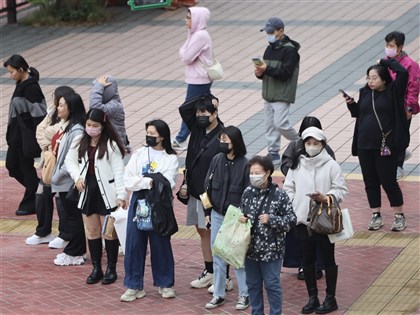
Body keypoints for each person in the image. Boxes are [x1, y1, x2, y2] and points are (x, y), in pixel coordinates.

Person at [284, 127, 348, 314]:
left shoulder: (331, 165)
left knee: (329, 259)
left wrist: (327, 197)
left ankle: (331, 298)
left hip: (326, 221)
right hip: (303, 220)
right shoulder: (297, 165)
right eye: (308, 143)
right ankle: (312, 297)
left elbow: (341, 189)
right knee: (307, 260)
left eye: (316, 143)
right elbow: (289, 188)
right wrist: (295, 204)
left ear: (323, 145)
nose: (312, 147)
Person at [343, 59, 409, 232]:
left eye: (374, 78)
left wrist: (386, 61)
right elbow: (359, 114)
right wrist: (351, 105)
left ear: (384, 79)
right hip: (364, 144)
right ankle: (376, 215)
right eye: (368, 78)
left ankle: (399, 216)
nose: (370, 81)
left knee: (388, 181)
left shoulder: (393, 92)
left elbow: (403, 73)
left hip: (385, 145)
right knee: (370, 181)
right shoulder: (365, 92)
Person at [66, 108, 127, 284]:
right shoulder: (79, 140)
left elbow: (118, 171)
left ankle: (111, 269)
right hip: (88, 192)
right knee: (92, 232)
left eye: (95, 125)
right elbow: (69, 161)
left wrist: (121, 195)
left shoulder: (111, 145)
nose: (91, 128)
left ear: (103, 126)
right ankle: (96, 268)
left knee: (109, 233)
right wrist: (77, 177)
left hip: (107, 193)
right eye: (88, 125)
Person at [121, 119, 178, 302]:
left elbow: (167, 182)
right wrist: (148, 181)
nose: (149, 137)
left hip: (159, 204)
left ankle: (165, 283)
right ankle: (133, 285)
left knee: (160, 243)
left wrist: (144, 179)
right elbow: (128, 179)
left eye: (153, 134)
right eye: (148, 133)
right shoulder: (139, 154)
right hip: (139, 201)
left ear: (162, 136)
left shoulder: (170, 158)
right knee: (134, 244)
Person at [239, 155, 296, 315]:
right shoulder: (247, 193)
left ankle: (275, 313)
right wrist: (241, 219)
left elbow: (291, 220)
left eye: (257, 172)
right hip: (250, 250)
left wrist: (272, 219)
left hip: (272, 252)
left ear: (267, 173)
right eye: (251, 172)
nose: (253, 176)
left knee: (272, 285)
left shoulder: (279, 195)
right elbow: (241, 211)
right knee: (253, 284)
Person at [281, 116, 335, 280]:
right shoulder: (295, 146)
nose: (311, 145)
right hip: (301, 204)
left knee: (321, 235)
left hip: (321, 205)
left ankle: (319, 266)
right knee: (299, 238)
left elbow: (335, 177)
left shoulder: (327, 152)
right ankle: (302, 265)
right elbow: (286, 166)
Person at [179, 94, 224, 289]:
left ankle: (224, 275)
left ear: (215, 113)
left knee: (215, 232)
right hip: (196, 190)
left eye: (205, 112)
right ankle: (210, 270)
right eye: (198, 112)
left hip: (211, 194)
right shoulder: (197, 128)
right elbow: (183, 109)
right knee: (201, 230)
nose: (200, 115)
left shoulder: (223, 134)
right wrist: (206, 97)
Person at [203, 126, 250, 310]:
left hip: (236, 218)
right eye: (220, 140)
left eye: (226, 141)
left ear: (235, 143)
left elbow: (248, 194)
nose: (222, 144)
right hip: (216, 215)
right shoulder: (216, 160)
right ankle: (218, 294)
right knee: (218, 256)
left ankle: (244, 295)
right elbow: (206, 188)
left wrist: (245, 216)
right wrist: (207, 213)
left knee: (237, 257)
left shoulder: (245, 165)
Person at [25, 86, 74, 248]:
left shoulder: (73, 119)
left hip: (63, 166)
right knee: (41, 195)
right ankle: (43, 232)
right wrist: (49, 145)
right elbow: (41, 130)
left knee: (62, 199)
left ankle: (65, 234)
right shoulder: (53, 111)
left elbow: (55, 132)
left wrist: (52, 138)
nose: (57, 106)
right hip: (50, 161)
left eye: (60, 102)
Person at [4, 54, 47, 216]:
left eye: (11, 71)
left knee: (25, 168)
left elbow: (40, 115)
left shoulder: (31, 88)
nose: (10, 75)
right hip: (16, 136)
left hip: (25, 137)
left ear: (21, 69)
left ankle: (32, 202)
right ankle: (39, 189)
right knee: (12, 166)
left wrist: (37, 136)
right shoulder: (22, 83)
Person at [254, 17, 300, 166]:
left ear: (281, 31)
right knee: (270, 125)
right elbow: (268, 72)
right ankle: (273, 153)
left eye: (271, 32)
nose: (269, 35)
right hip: (268, 94)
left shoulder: (290, 50)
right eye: (267, 32)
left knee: (281, 124)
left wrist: (266, 69)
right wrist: (260, 73)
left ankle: (301, 142)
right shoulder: (269, 48)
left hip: (282, 94)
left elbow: (285, 73)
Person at [51, 92, 87, 266]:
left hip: (68, 182)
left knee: (74, 218)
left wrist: (57, 175)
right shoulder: (69, 126)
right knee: (72, 217)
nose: (58, 107)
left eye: (62, 105)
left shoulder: (77, 130)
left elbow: (73, 159)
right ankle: (75, 249)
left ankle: (76, 251)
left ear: (71, 108)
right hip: (64, 182)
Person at [174, 7, 213, 150]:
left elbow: (186, 57)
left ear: (197, 19)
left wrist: (184, 52)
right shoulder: (194, 34)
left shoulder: (200, 36)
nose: (186, 20)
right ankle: (204, 135)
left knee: (188, 108)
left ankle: (181, 139)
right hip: (197, 78)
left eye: (189, 18)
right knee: (200, 108)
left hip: (199, 79)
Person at [383, 31, 420, 179]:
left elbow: (413, 88)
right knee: (388, 135)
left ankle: (398, 165)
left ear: (400, 47)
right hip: (386, 106)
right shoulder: (384, 62)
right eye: (387, 45)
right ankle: (401, 153)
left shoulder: (410, 65)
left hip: (402, 107)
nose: (388, 48)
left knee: (400, 135)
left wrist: (409, 107)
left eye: (391, 46)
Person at [89, 75, 131, 158]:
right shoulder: (106, 104)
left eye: (101, 88)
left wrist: (98, 87)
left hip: (115, 149)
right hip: (106, 146)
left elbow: (95, 108)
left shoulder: (115, 105)